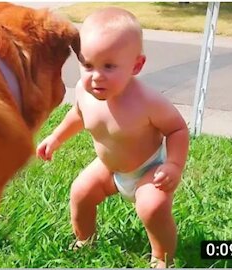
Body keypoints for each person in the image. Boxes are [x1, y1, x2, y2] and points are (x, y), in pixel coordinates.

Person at [36, 7, 189, 268]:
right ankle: (85, 240)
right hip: (109, 168)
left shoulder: (148, 102)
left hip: (148, 169)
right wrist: (56, 137)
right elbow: (78, 116)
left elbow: (177, 129)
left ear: (136, 66)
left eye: (109, 66)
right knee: (81, 192)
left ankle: (161, 257)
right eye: (87, 65)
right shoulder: (86, 94)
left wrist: (173, 165)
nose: (96, 76)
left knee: (152, 208)